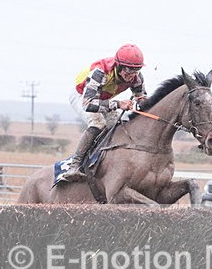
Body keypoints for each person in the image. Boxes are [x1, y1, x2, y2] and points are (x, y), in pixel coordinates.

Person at [58, 44, 147, 182]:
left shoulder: (137, 77)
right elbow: (88, 104)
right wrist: (118, 104)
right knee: (98, 124)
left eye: (136, 71)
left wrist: (139, 105)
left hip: (103, 98)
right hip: (82, 96)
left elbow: (141, 99)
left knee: (120, 126)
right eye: (128, 71)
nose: (132, 76)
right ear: (119, 66)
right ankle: (74, 165)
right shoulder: (100, 72)